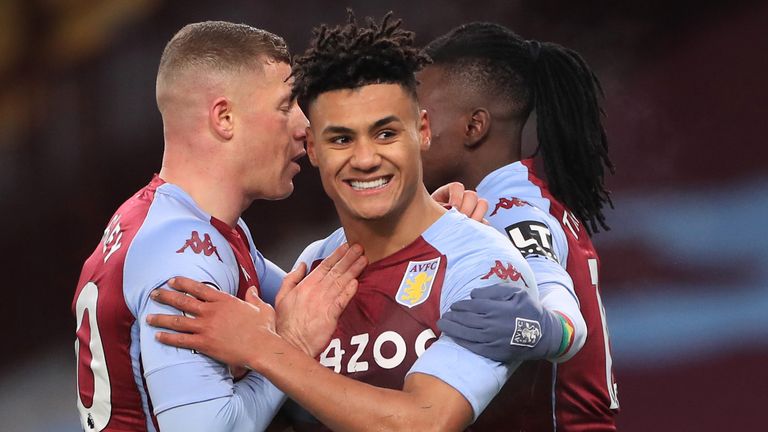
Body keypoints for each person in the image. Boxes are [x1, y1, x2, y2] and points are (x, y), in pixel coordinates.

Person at [147, 13, 576, 432]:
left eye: (386, 133)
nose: (366, 159)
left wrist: (266, 349)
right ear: (312, 148)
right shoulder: (315, 268)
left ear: (422, 131)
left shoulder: (481, 263)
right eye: (341, 139)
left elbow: (427, 421)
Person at [71, 21, 368, 432]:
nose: (304, 126)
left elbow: (311, 297)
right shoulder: (180, 257)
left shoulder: (188, 226)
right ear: (224, 118)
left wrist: (419, 221)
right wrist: (289, 344)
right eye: (286, 105)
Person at [418, 22, 620, 430]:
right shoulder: (516, 200)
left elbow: (562, 321)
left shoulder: (511, 212)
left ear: (474, 127)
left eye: (420, 115)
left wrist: (538, 329)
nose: (410, 132)